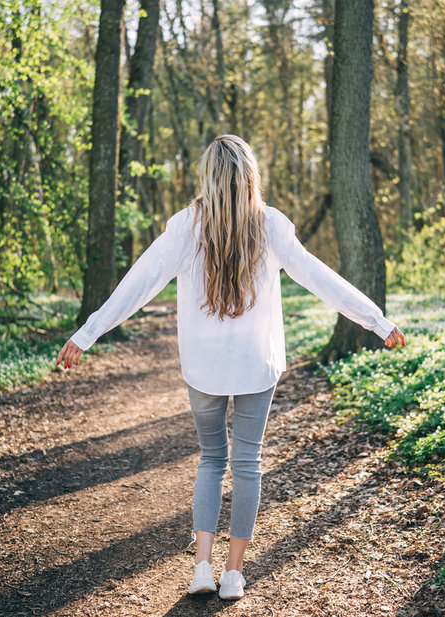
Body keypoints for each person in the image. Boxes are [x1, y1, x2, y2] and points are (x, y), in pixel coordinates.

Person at [56, 135, 404, 601]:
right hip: (255, 364)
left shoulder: (184, 227)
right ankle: (234, 575)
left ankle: (202, 567)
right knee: (246, 464)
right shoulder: (271, 226)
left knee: (211, 459)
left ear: (209, 177)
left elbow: (137, 284)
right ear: (250, 177)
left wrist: (87, 332)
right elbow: (321, 277)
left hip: (203, 367)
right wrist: (375, 321)